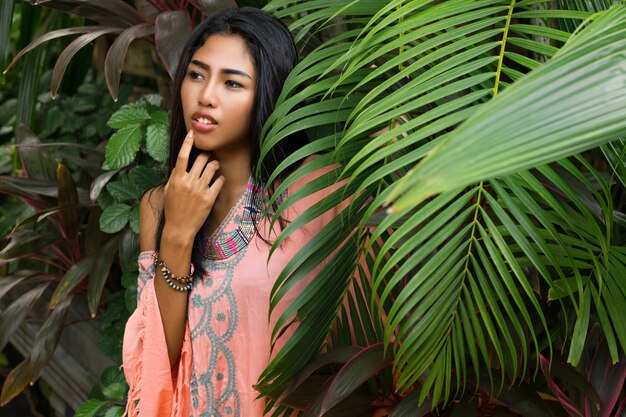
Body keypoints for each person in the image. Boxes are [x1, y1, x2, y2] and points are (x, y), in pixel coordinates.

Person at [122, 7, 344, 417]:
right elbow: (156, 364)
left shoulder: (315, 195)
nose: (206, 95)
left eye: (232, 83)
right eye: (196, 74)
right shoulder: (158, 204)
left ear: (267, 94)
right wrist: (178, 235)